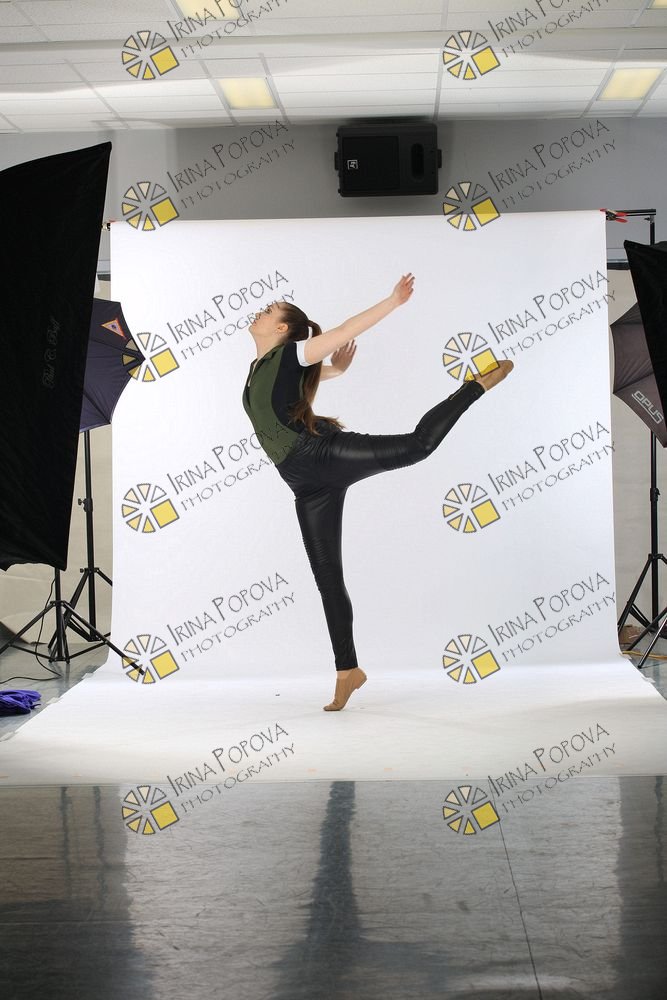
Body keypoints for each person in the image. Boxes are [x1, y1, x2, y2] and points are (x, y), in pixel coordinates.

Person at [243, 275, 513, 712]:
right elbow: (305, 381)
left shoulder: (291, 351)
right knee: (328, 578)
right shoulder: (259, 368)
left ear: (282, 328)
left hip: (321, 455)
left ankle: (475, 386)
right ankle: (348, 671)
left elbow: (345, 329)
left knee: (417, 445)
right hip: (303, 484)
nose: (261, 311)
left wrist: (392, 301)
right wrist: (337, 372)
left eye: (269, 309)